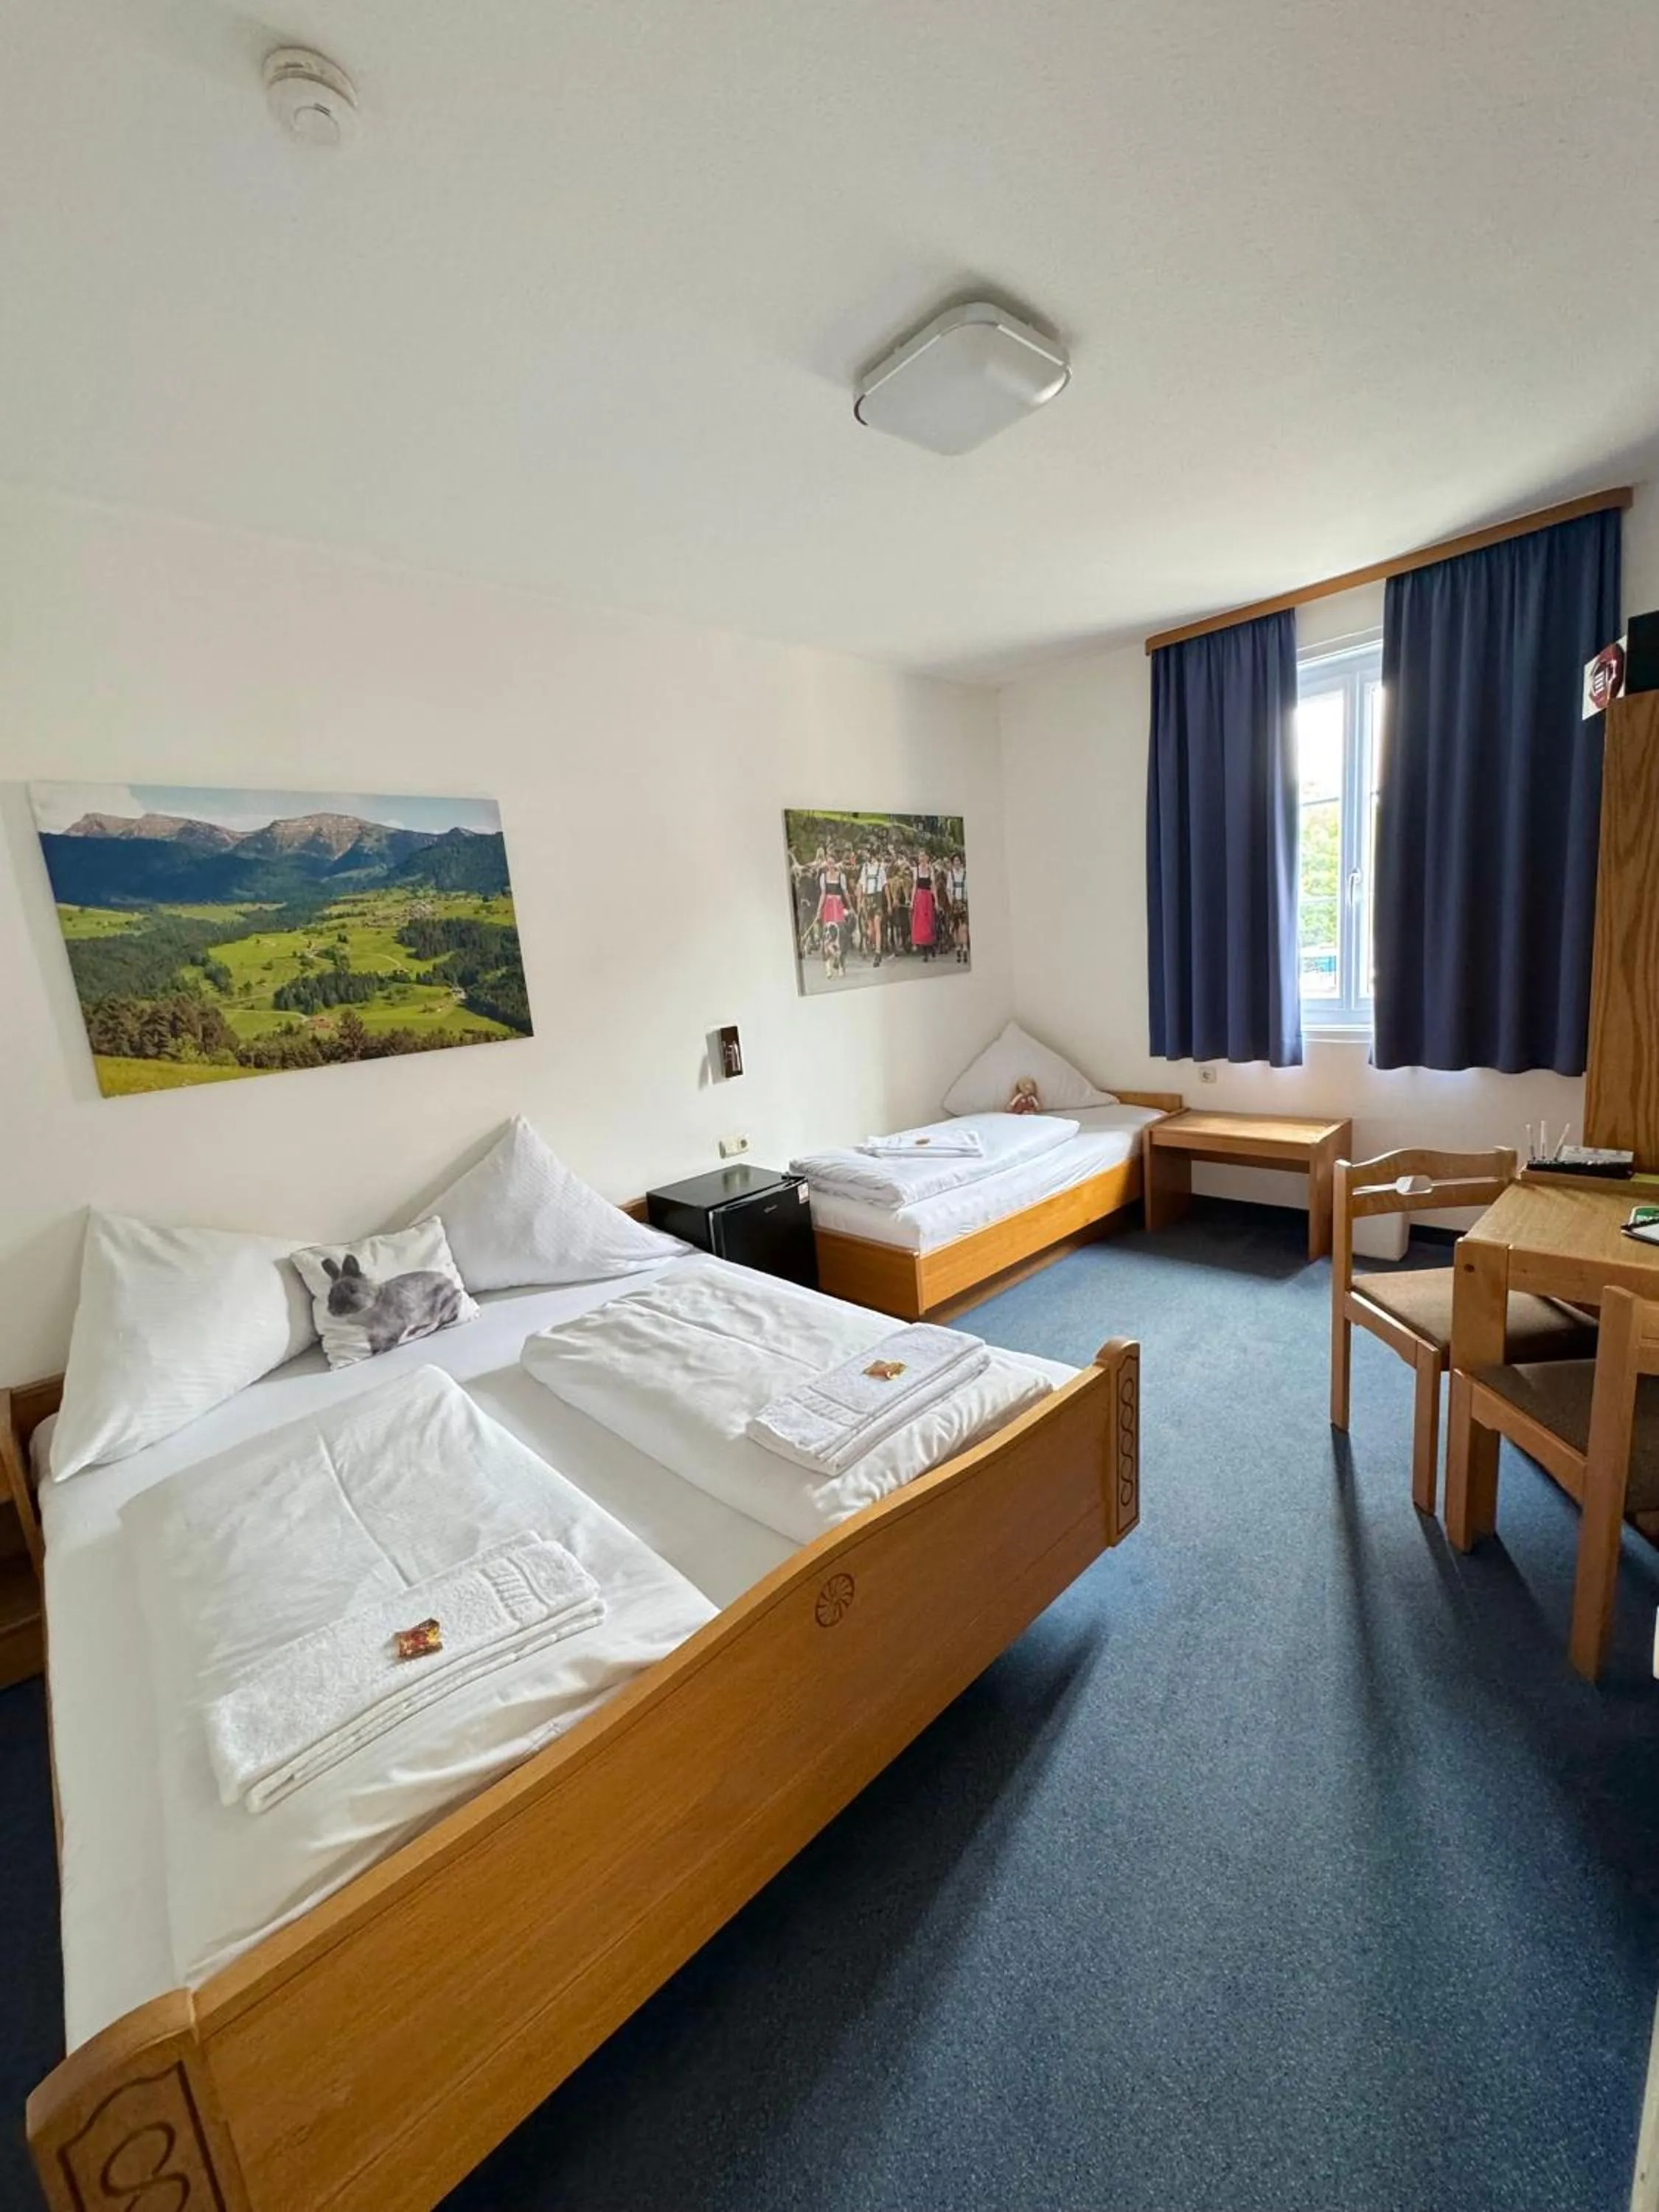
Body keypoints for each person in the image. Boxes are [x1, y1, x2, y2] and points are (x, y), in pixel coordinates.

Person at [815, 852, 851, 978]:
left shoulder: (841, 876)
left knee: (841, 932)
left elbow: (845, 892)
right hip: (828, 907)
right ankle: (828, 967)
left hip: (838, 905)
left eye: (832, 863)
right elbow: (823, 894)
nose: (831, 866)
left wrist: (851, 907)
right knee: (827, 936)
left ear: (835, 864)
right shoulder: (823, 877)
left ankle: (841, 964)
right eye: (829, 863)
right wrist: (819, 910)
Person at [858, 844, 888, 966]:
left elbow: (885, 886)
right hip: (867, 899)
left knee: (877, 926)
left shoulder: (880, 868)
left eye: (870, 855)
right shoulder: (864, 869)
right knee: (870, 931)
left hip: (877, 898)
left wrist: (889, 903)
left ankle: (878, 953)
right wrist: (860, 901)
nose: (869, 858)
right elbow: (861, 885)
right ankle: (875, 945)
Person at [910, 849, 938, 962]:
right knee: (920, 923)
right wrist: (912, 901)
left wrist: (936, 901)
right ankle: (923, 951)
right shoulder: (916, 871)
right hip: (919, 898)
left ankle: (930, 946)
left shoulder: (930, 870)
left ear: (927, 858)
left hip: (927, 898)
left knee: (928, 922)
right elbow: (914, 886)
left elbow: (933, 886)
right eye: (920, 856)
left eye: (923, 856)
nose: (922, 859)